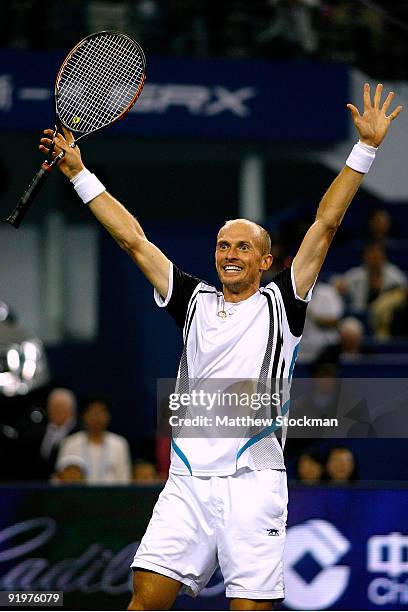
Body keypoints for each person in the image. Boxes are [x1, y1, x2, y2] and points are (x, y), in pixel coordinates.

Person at [39, 83, 402, 610]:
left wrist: (363, 149)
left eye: (243, 247)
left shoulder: (285, 303)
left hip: (252, 484)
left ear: (264, 259)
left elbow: (326, 223)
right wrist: (78, 174)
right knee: (144, 599)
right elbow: (133, 239)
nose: (230, 253)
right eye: (222, 245)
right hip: (187, 478)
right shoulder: (191, 300)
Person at [57, 395, 132, 484]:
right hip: (78, 496)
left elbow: (124, 479)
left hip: (111, 496)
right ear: (84, 416)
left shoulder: (119, 444)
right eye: (92, 412)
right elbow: (58, 478)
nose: (97, 417)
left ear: (108, 416)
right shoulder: (70, 443)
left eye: (101, 412)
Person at [333, 241, 406, 313]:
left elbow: (403, 290)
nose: (374, 260)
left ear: (384, 257)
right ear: (365, 257)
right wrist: (339, 285)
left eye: (377, 256)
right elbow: (336, 282)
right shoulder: (356, 275)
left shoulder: (395, 277)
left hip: (387, 318)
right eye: (371, 256)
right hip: (360, 316)